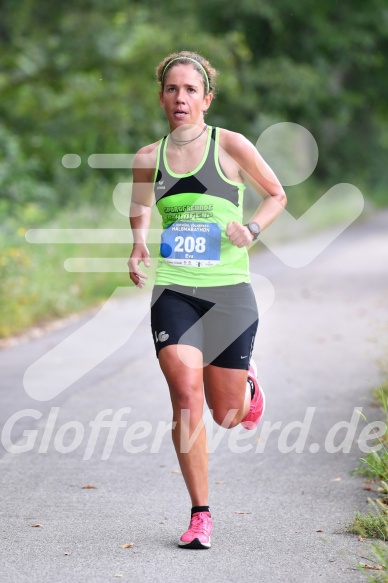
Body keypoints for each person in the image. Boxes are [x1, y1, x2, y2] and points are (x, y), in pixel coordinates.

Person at [128, 51, 286, 549]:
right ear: (162, 98)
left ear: (206, 98)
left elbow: (276, 194)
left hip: (230, 294)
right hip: (174, 289)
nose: (181, 98)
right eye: (172, 89)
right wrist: (137, 244)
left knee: (227, 414)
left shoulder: (231, 146)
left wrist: (252, 228)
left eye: (191, 90)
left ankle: (248, 393)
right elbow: (139, 207)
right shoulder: (147, 157)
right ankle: (200, 514)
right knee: (184, 390)